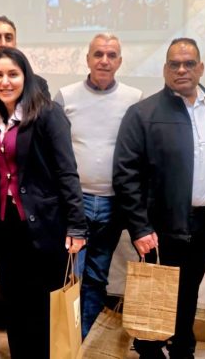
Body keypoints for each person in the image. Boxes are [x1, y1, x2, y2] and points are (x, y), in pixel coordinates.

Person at [113, 38, 205, 359]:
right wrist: (139, 227)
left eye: (189, 63)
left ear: (201, 68)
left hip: (201, 223)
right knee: (156, 293)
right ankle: (149, 350)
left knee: (189, 291)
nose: (182, 70)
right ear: (165, 69)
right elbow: (125, 175)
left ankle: (182, 349)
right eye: (174, 64)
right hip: (158, 226)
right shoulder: (143, 113)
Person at [0, 47, 87, 359]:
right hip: (6, 227)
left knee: (43, 308)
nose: (5, 81)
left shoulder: (48, 113)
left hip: (45, 226)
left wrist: (77, 226)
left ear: (25, 77)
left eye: (13, 74)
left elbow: (67, 171)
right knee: (15, 305)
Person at [0, 15, 49, 359]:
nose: (2, 42)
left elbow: (52, 160)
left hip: (27, 212)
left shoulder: (38, 88)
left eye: (8, 36)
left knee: (30, 293)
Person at [54, 33, 142, 338]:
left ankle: (84, 342)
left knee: (97, 277)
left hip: (112, 204)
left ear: (120, 61)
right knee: (71, 278)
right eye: (98, 54)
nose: (104, 61)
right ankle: (65, 344)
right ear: (88, 59)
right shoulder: (65, 97)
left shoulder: (134, 98)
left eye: (111, 55)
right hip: (73, 204)